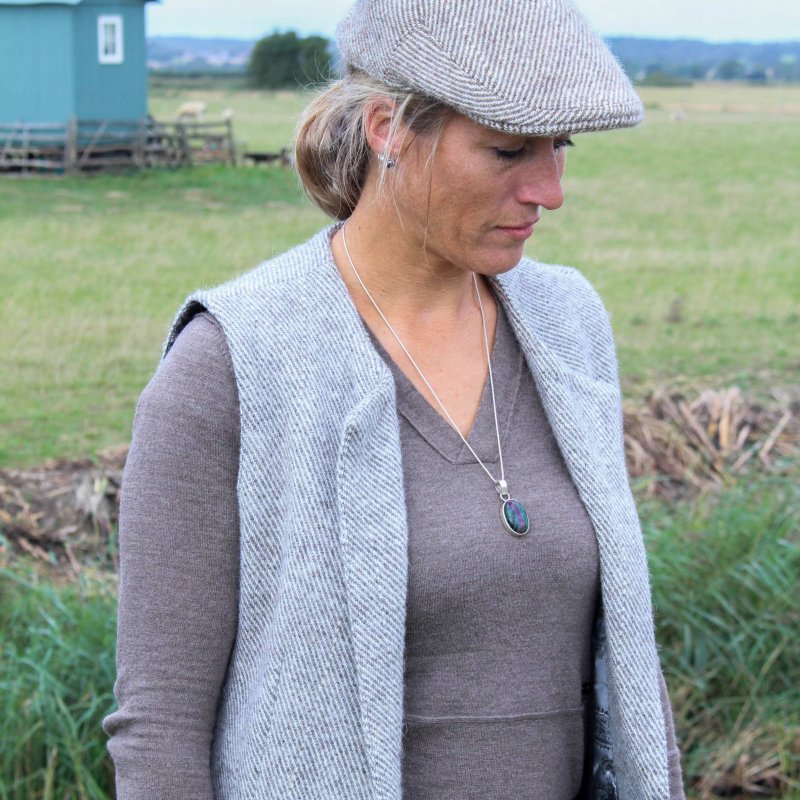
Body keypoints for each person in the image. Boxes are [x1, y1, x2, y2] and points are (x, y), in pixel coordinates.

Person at [103, 0, 686, 798]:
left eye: (561, 146)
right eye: (509, 150)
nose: (549, 190)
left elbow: (627, 667)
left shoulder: (568, 323)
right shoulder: (233, 362)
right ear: (386, 128)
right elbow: (159, 724)